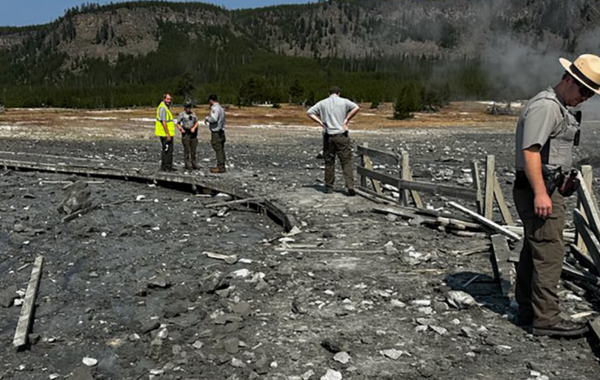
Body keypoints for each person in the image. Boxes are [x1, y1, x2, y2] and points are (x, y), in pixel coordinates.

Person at [513, 54, 600, 337]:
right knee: (550, 252)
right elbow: (531, 151)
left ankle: (529, 311)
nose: (585, 97)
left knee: (535, 249)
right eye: (584, 90)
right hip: (542, 190)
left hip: (547, 189)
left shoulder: (557, 106)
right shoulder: (547, 107)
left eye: (591, 93)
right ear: (568, 80)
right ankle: (547, 319)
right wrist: (541, 193)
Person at [307, 86, 360, 196]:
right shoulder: (344, 101)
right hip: (341, 134)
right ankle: (350, 186)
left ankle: (329, 187)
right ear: (339, 93)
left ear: (329, 93)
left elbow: (309, 112)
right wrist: (346, 120)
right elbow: (356, 108)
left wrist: (320, 122)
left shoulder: (322, 103)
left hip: (328, 135)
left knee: (329, 161)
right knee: (346, 161)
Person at [205, 94, 227, 173]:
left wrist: (207, 118)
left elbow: (214, 119)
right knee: (221, 148)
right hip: (221, 130)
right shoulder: (221, 108)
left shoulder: (215, 108)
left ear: (211, 100)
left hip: (216, 131)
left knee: (218, 148)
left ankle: (220, 167)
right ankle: (221, 164)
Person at [155, 93, 176, 172]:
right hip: (165, 133)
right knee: (167, 150)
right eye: (167, 99)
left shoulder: (165, 107)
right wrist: (168, 134)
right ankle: (166, 167)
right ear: (164, 99)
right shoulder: (163, 108)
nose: (169, 101)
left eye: (170, 99)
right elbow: (164, 122)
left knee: (167, 150)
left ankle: (166, 166)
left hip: (165, 133)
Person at [177, 101, 200, 171]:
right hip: (186, 132)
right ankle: (187, 164)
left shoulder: (193, 114)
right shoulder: (182, 114)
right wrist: (181, 128)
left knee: (193, 149)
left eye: (189, 107)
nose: (188, 109)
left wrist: (194, 128)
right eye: (187, 107)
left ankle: (194, 163)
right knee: (187, 149)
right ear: (184, 108)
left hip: (193, 133)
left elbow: (197, 123)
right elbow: (178, 123)